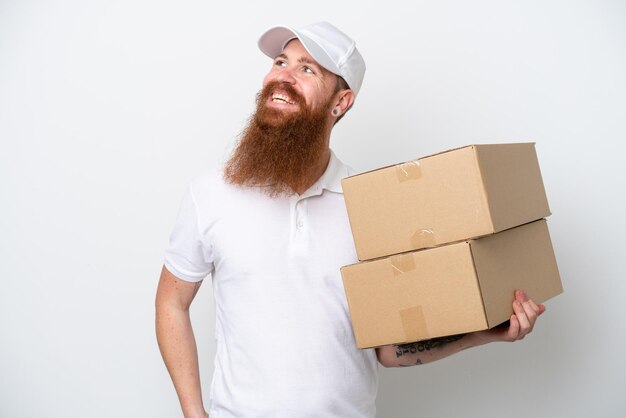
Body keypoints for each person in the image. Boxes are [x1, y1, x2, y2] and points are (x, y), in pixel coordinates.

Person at [155, 21, 545, 418]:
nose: (283, 77)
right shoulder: (212, 193)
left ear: (341, 103)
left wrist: (484, 332)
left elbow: (389, 350)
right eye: (280, 61)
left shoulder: (372, 208)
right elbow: (172, 302)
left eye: (307, 69)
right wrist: (193, 412)